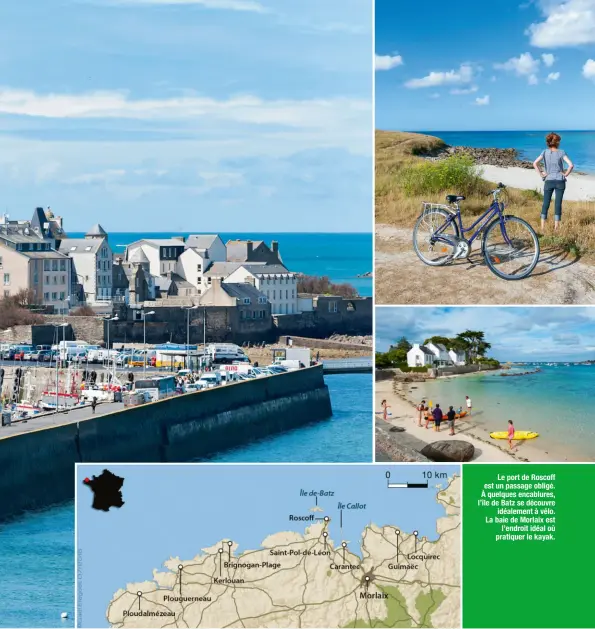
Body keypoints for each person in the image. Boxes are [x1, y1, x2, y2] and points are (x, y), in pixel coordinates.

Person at [533, 132, 574, 231]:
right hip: (560, 181)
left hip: (549, 180)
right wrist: (565, 174)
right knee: (558, 204)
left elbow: (535, 163)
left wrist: (542, 174)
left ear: (548, 142)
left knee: (545, 203)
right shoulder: (561, 152)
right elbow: (571, 165)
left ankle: (542, 228)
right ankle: (556, 229)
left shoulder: (544, 152)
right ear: (557, 142)